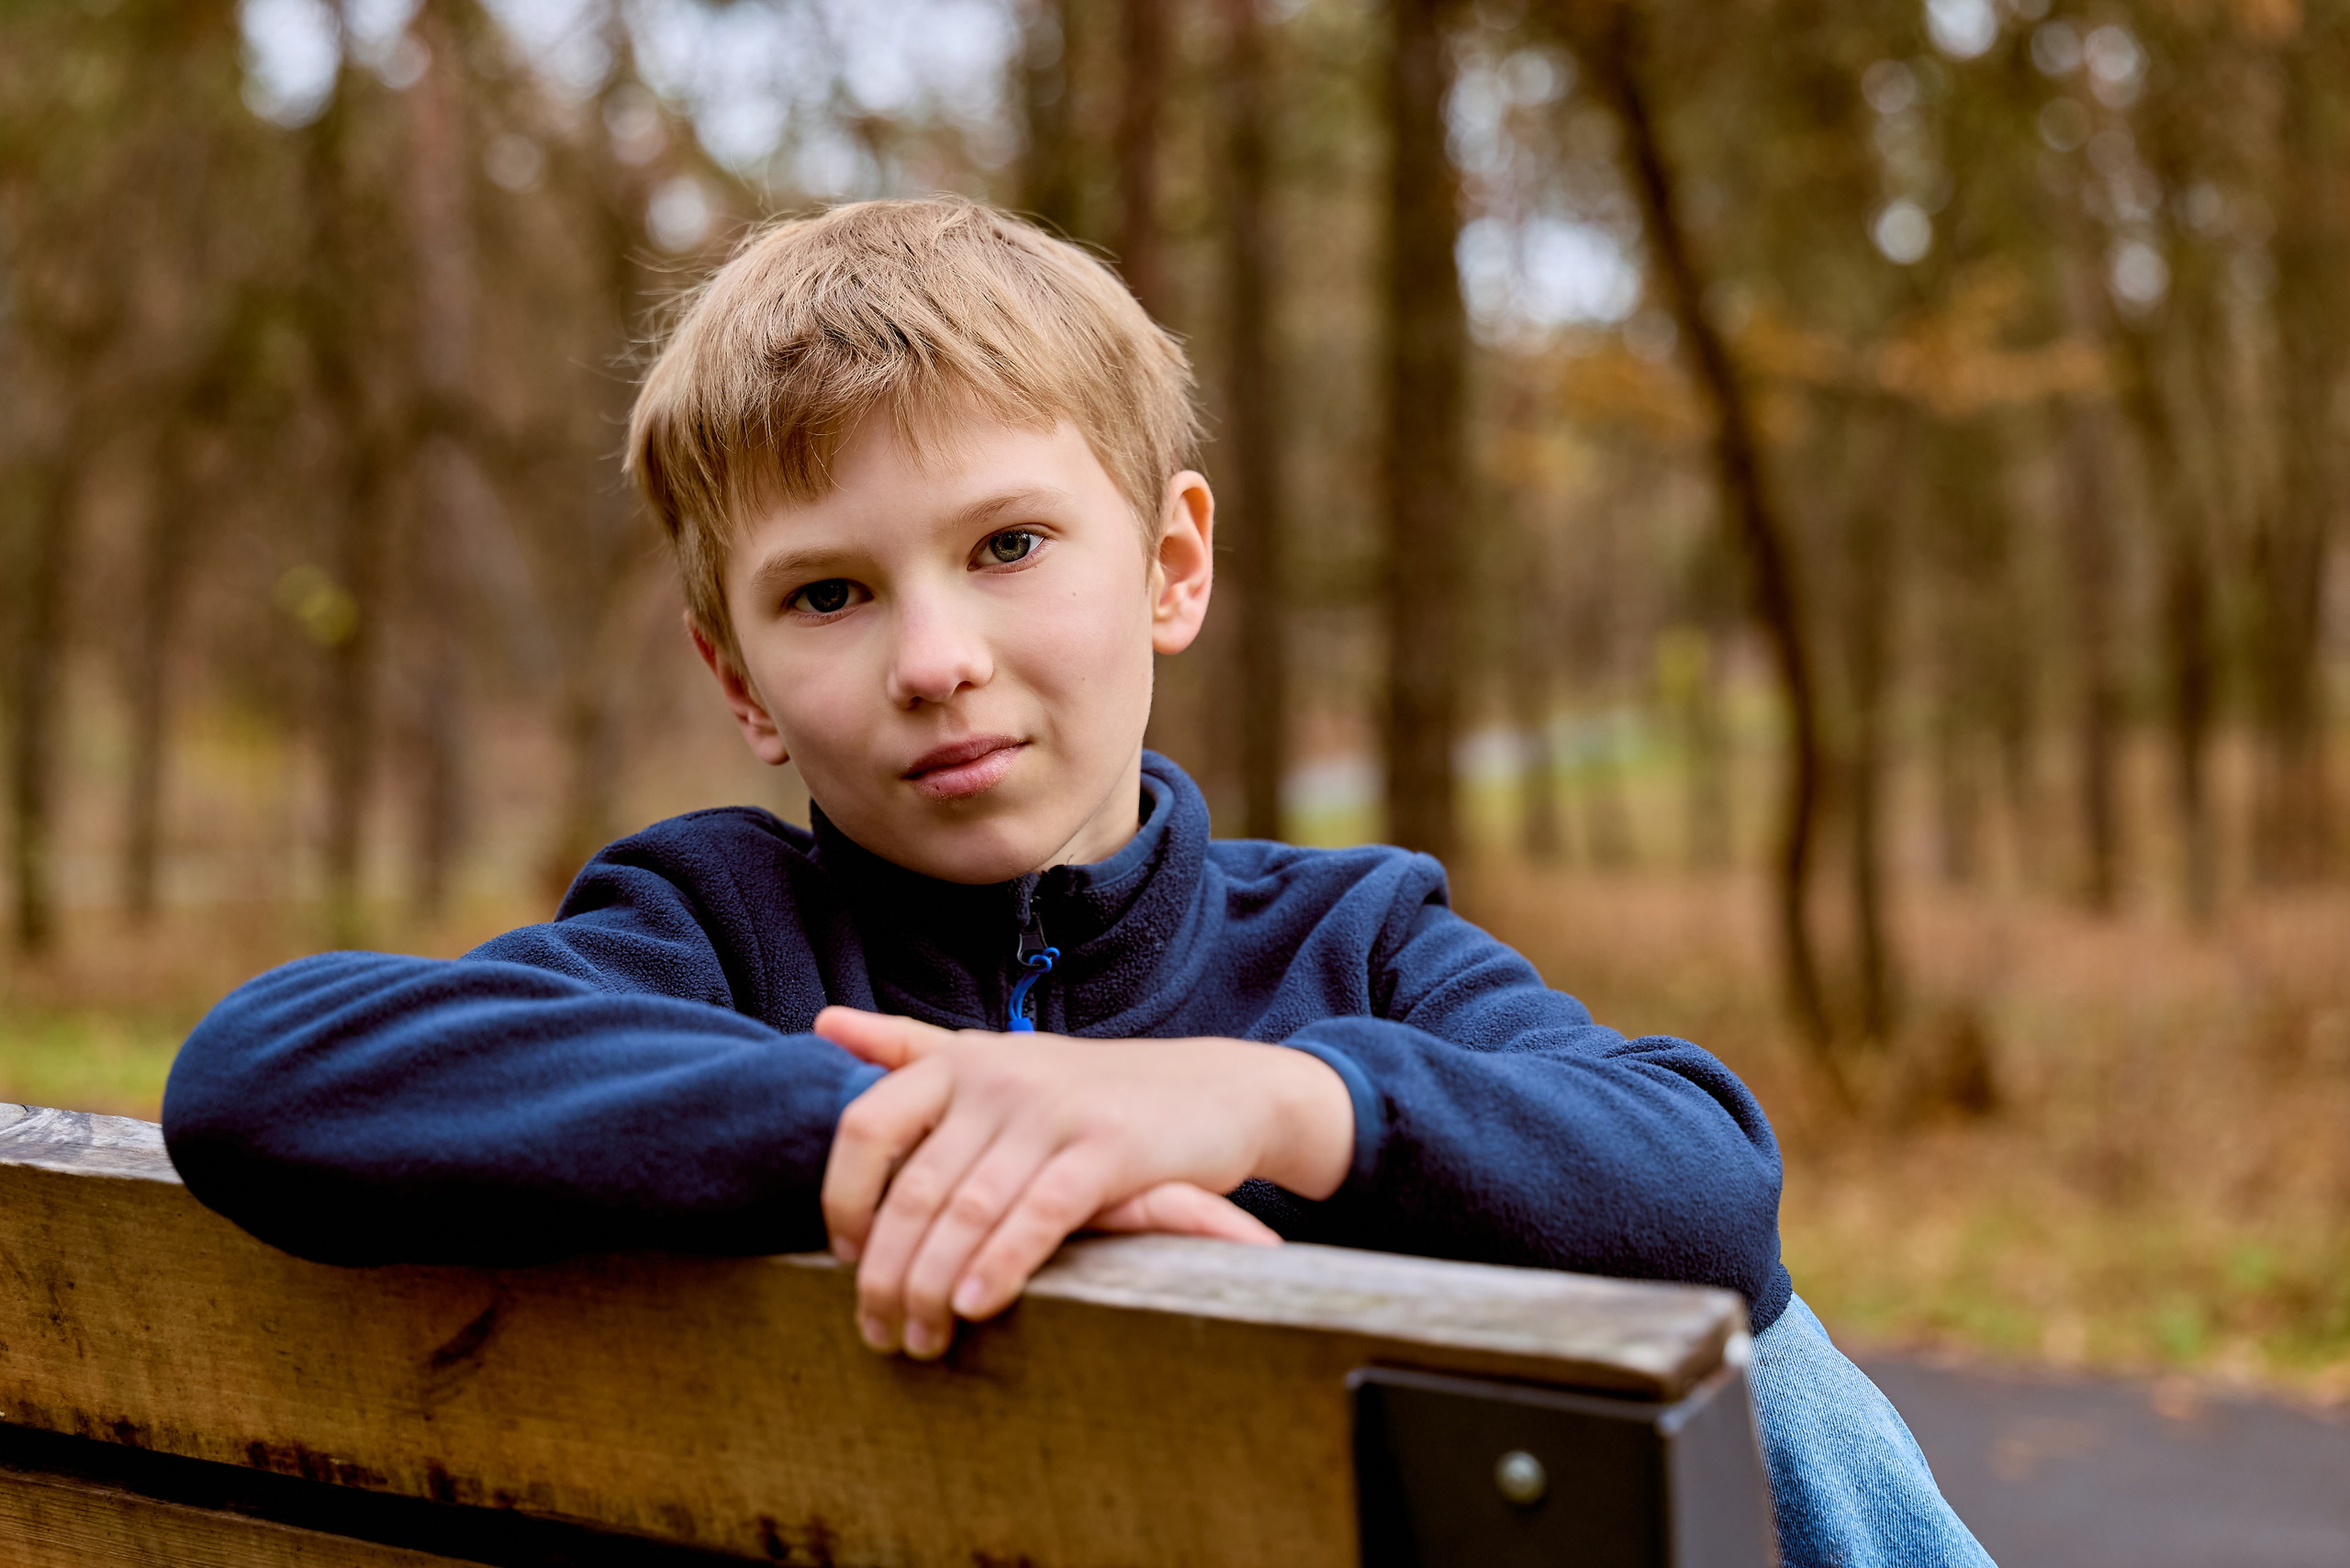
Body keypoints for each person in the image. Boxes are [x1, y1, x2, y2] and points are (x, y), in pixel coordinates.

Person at [162, 196, 1991, 1568]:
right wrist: (918, 1133)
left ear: (1170, 566)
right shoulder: (714, 936)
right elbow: (265, 1066)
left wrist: (1259, 1097)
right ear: (737, 678)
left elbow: (1703, 1189)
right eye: (827, 593)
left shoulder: (1345, 942)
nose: (933, 654)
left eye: (1007, 543)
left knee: (1778, 1361)